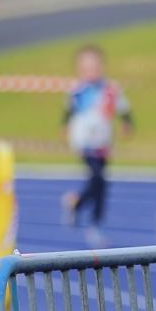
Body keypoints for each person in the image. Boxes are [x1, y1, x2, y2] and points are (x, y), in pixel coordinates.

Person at [59, 45, 133, 248]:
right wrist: (64, 127)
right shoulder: (77, 91)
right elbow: (68, 111)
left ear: (101, 67)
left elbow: (124, 108)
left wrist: (127, 124)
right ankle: (94, 225)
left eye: (94, 66)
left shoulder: (110, 89)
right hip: (84, 142)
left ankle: (78, 205)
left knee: (100, 183)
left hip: (103, 142)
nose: (90, 71)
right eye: (86, 67)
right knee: (98, 178)